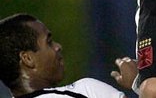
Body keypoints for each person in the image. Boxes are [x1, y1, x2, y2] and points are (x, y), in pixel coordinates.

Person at [0, 13, 137, 98]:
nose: (58, 46)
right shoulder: (86, 91)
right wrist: (137, 83)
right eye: (49, 42)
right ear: (28, 59)